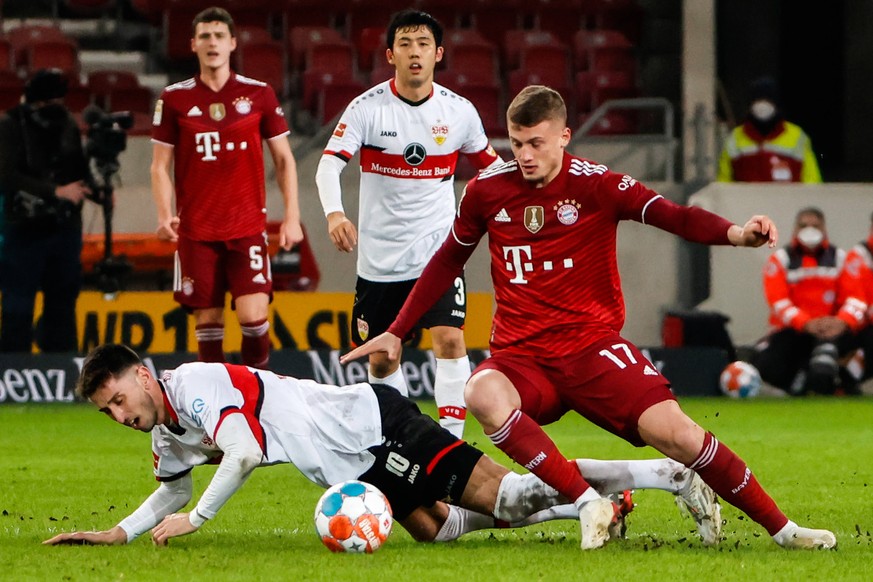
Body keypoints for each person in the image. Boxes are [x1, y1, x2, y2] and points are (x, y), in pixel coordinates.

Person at [342, 85, 837, 550]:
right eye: (516, 143)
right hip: (523, 359)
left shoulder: (597, 184)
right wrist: (396, 330)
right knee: (480, 392)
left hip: (591, 348)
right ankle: (587, 503)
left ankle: (784, 531)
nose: (525, 155)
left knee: (681, 436)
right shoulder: (487, 190)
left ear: (563, 135)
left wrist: (737, 233)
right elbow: (448, 259)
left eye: (536, 142)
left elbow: (675, 215)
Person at [43, 343, 720, 548]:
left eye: (118, 401)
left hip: (373, 426)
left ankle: (665, 473)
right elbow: (172, 484)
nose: (118, 416)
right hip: (355, 461)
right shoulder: (165, 430)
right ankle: (598, 503)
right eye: (107, 413)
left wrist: (199, 519)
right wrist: (118, 534)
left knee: (506, 499)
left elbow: (243, 451)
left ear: (140, 376)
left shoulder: (194, 384)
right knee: (437, 531)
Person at [315, 9, 503, 438]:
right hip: (379, 261)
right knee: (382, 360)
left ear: (438, 54)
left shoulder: (460, 112)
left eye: (423, 44)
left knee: (450, 341)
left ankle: (450, 444)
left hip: (438, 253)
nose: (414, 52)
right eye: (405, 44)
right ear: (390, 54)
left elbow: (492, 170)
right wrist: (334, 213)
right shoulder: (366, 109)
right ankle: (404, 435)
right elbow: (328, 167)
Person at [151, 7, 303, 369]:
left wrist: (292, 217)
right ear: (193, 44)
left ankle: (259, 397)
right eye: (205, 36)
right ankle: (215, 415)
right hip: (197, 231)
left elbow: (284, 159)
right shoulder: (173, 99)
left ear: (233, 43)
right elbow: (159, 165)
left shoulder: (259, 94)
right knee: (208, 325)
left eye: (219, 35)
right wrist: (163, 214)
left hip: (247, 227)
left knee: (254, 321)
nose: (212, 42)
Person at [0, 69, 93, 353]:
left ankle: (63, 372)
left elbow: (78, 167)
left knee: (63, 304)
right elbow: (5, 175)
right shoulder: (11, 125)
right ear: (34, 102)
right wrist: (54, 191)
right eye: (48, 102)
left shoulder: (66, 123)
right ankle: (13, 374)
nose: (56, 107)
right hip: (23, 228)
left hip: (63, 228)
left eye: (59, 100)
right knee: (18, 304)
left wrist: (95, 190)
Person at [752, 207, 867, 396]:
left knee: (836, 355)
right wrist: (806, 323)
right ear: (795, 230)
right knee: (767, 364)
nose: (810, 230)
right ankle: (805, 384)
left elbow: (856, 298)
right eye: (804, 225)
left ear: (824, 229)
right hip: (794, 331)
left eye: (815, 225)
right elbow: (779, 303)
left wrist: (842, 321)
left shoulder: (841, 259)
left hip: (834, 330)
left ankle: (840, 381)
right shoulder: (780, 260)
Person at [717, 76, 822, 183]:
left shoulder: (797, 136)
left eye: (767, 100)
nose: (762, 105)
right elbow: (724, 181)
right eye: (757, 100)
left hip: (786, 199)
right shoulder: (735, 138)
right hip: (747, 200)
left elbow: (811, 179)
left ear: (776, 103)